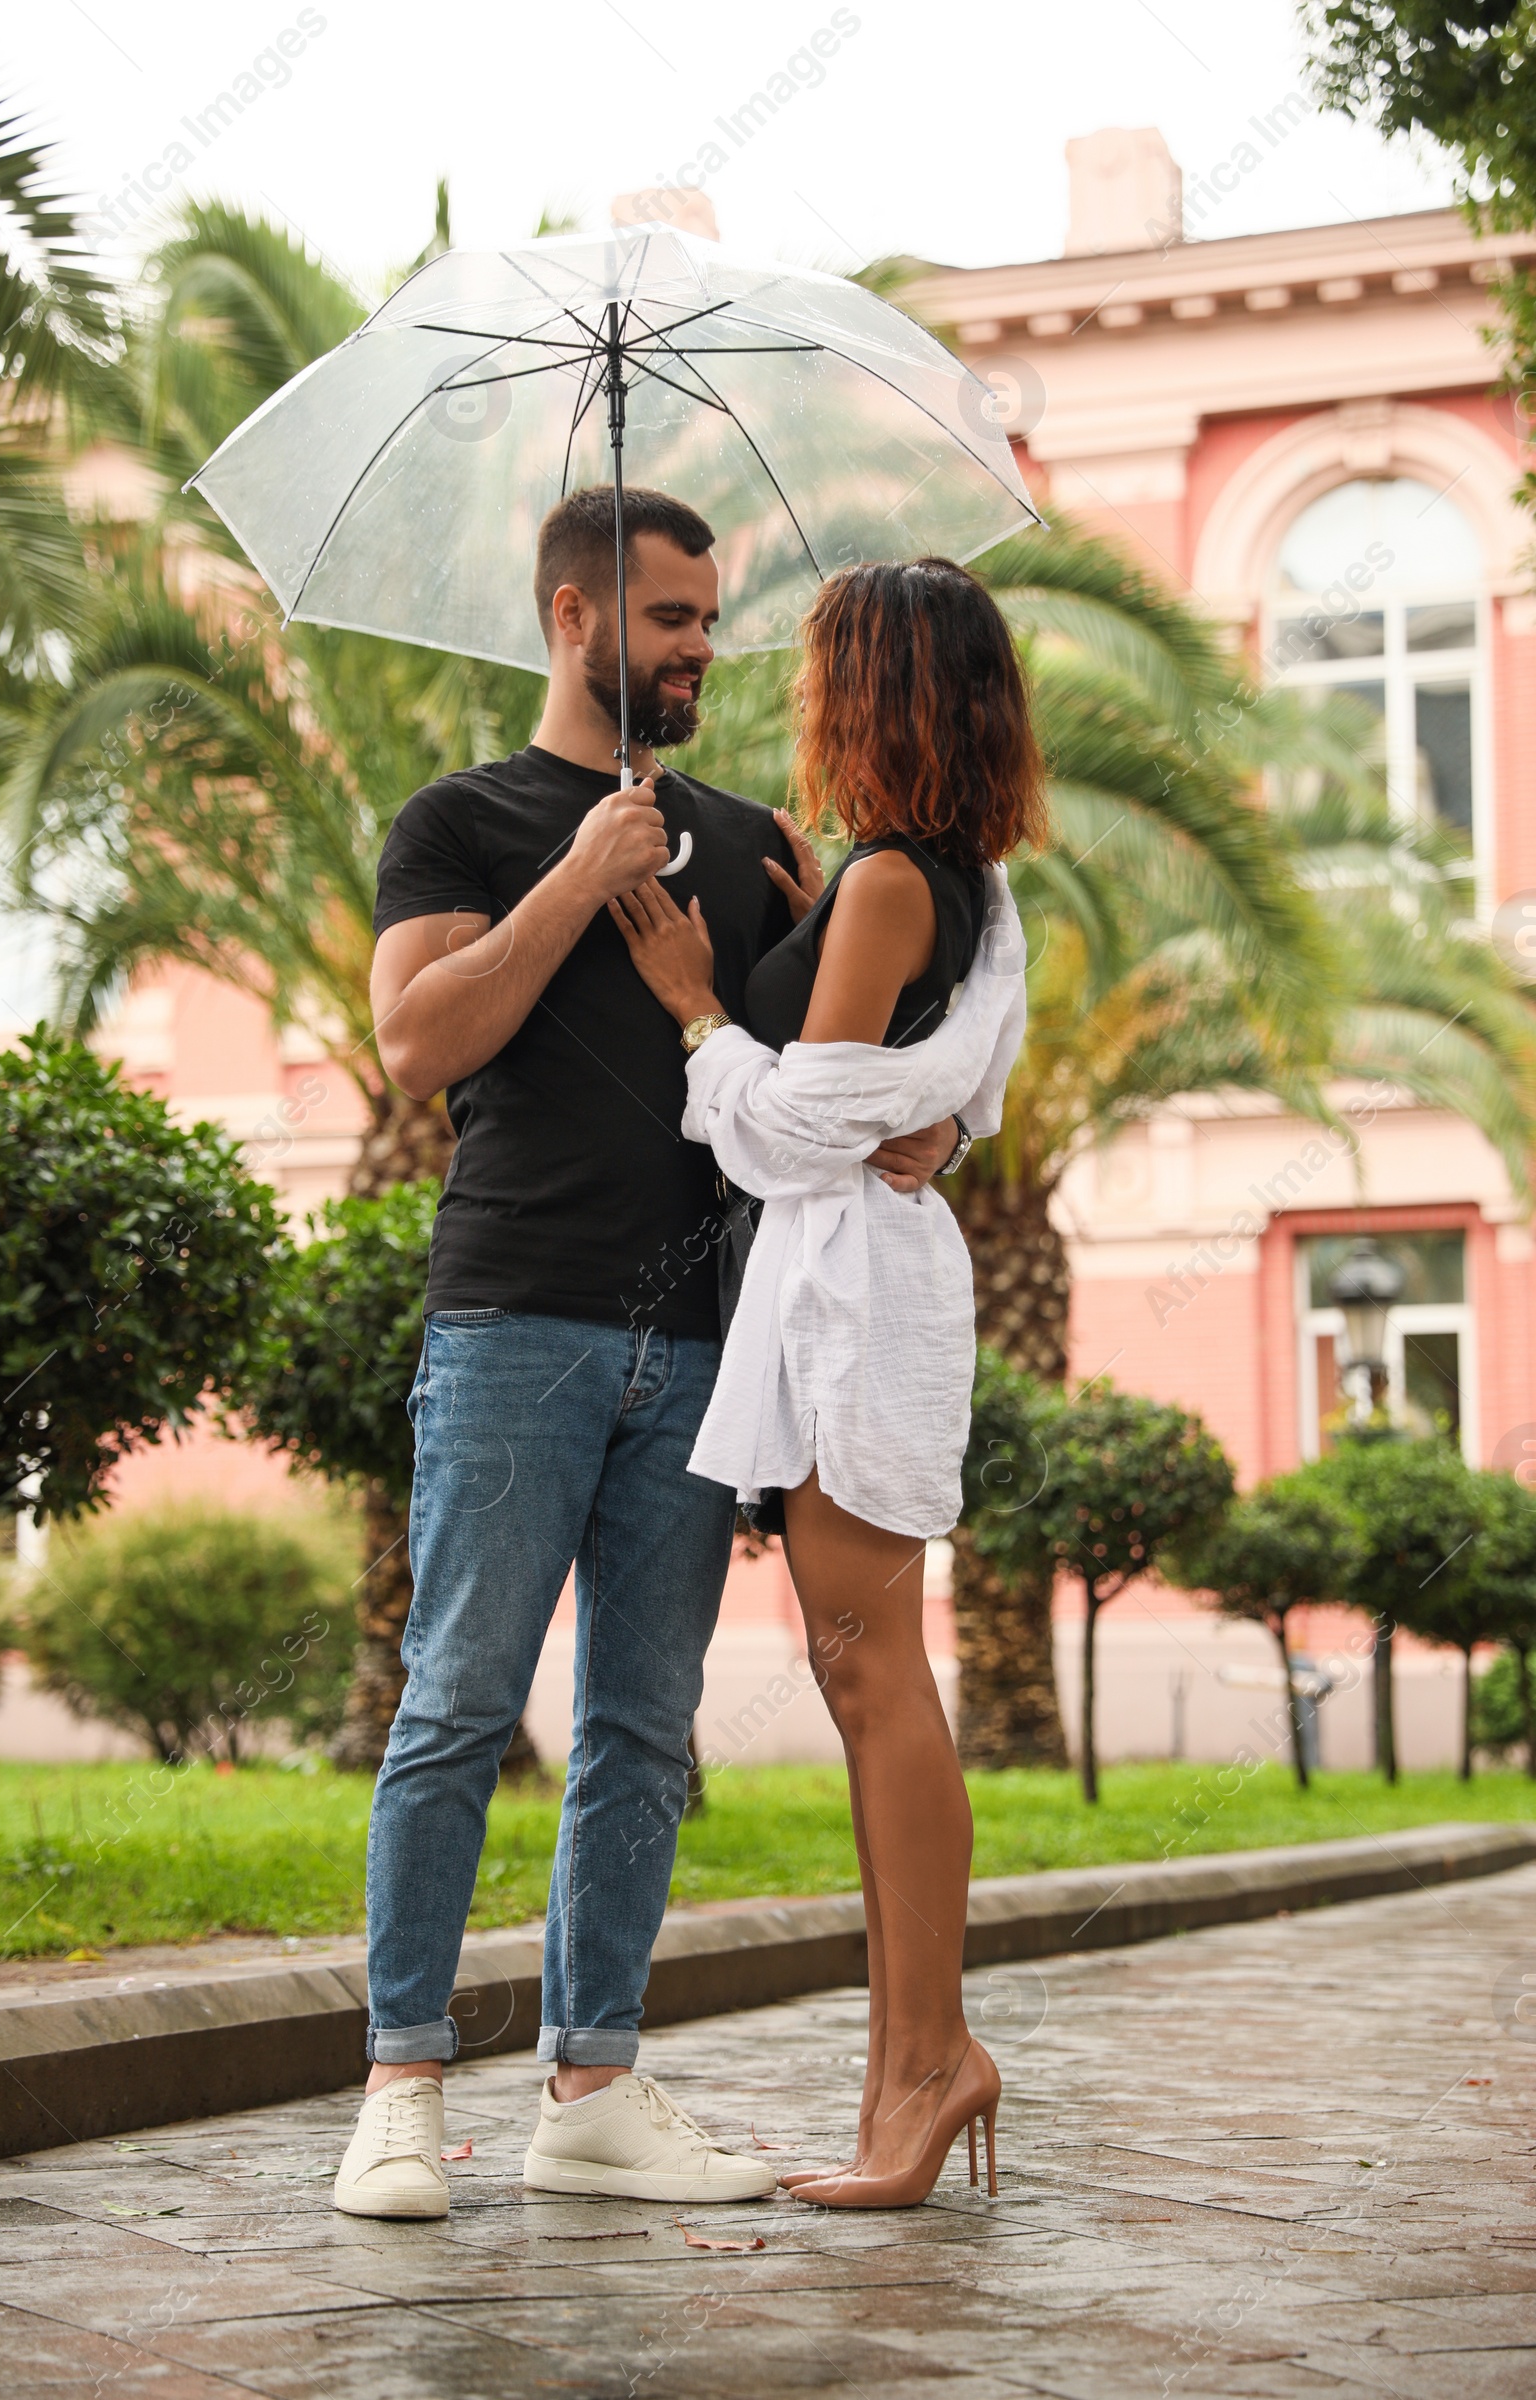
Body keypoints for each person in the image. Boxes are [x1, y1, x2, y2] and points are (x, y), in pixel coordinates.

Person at [333, 488, 959, 2218]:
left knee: (638, 1726)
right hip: (512, 1322)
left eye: (707, 619)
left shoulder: (754, 836)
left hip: (706, 1346)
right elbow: (413, 1044)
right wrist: (574, 881)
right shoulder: (458, 823)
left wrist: (927, 1131)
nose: (701, 647)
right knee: (457, 1705)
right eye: (671, 618)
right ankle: (399, 2086)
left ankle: (595, 2083)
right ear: (572, 616)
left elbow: (830, 1071)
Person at [609, 556, 1042, 2210]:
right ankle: (905, 2079)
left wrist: (705, 1010)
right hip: (879, 1284)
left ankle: (932, 2064)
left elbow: (793, 1129)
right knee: (879, 1683)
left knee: (878, 1684)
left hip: (852, 1297)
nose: (800, 694)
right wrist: (807, 963)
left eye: (829, 670)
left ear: (883, 695)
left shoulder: (888, 890)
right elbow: (935, 1079)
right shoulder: (950, 884)